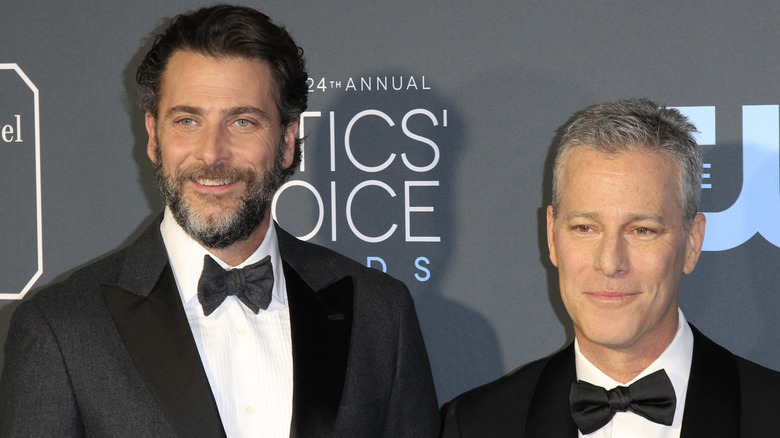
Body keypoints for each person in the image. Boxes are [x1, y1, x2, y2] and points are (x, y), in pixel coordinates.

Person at [0, 5, 439, 437]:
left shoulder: (381, 313)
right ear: (154, 137)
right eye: (188, 120)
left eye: (243, 121)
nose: (212, 153)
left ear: (287, 142)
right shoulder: (61, 330)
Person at [441, 98, 780, 437]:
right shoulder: (475, 425)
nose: (610, 263)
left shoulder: (770, 412)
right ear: (552, 236)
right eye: (585, 228)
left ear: (692, 243)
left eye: (642, 230)